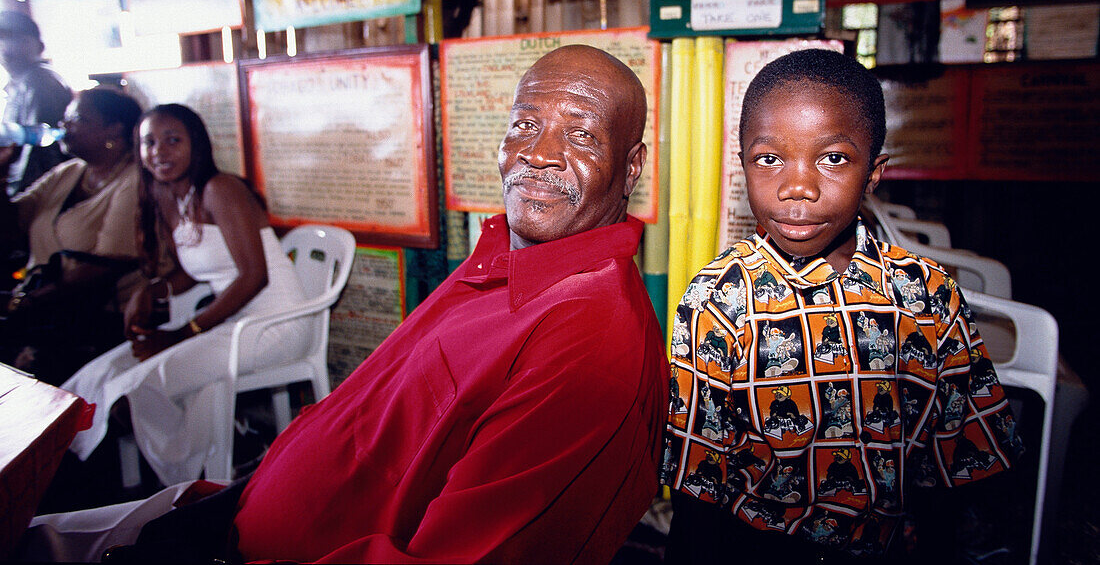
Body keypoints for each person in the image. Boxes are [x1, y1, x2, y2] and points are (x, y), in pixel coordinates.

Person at [21, 45, 668, 565]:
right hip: (240, 513)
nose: (539, 152)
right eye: (525, 124)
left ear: (631, 165)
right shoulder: (502, 257)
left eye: (581, 136)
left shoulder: (591, 336)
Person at [662, 49, 1021, 563]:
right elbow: (697, 494)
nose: (798, 188)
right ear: (742, 166)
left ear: (873, 172)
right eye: (769, 159)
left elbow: (955, 468)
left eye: (832, 158)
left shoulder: (928, 296)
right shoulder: (719, 300)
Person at [61, 103, 308, 487]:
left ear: (197, 145)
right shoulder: (167, 194)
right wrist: (152, 290)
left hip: (273, 326)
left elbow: (254, 276)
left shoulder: (220, 189)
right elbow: (193, 273)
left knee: (139, 388)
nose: (160, 151)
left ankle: (219, 461)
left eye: (173, 140)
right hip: (230, 322)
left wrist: (185, 332)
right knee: (98, 376)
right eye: (149, 142)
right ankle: (232, 445)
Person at [0, 85, 142, 385]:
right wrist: (2, 173)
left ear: (113, 130)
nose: (64, 127)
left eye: (76, 119)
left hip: (93, 317)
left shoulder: (133, 181)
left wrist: (26, 303)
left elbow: (103, 267)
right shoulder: (67, 173)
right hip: (40, 308)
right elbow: (11, 226)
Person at [0, 10, 72, 196]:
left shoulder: (38, 82)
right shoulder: (17, 84)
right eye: (2, 39)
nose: (7, 48)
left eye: (18, 40)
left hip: (41, 192)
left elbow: (38, 150)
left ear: (39, 47)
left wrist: (18, 197)